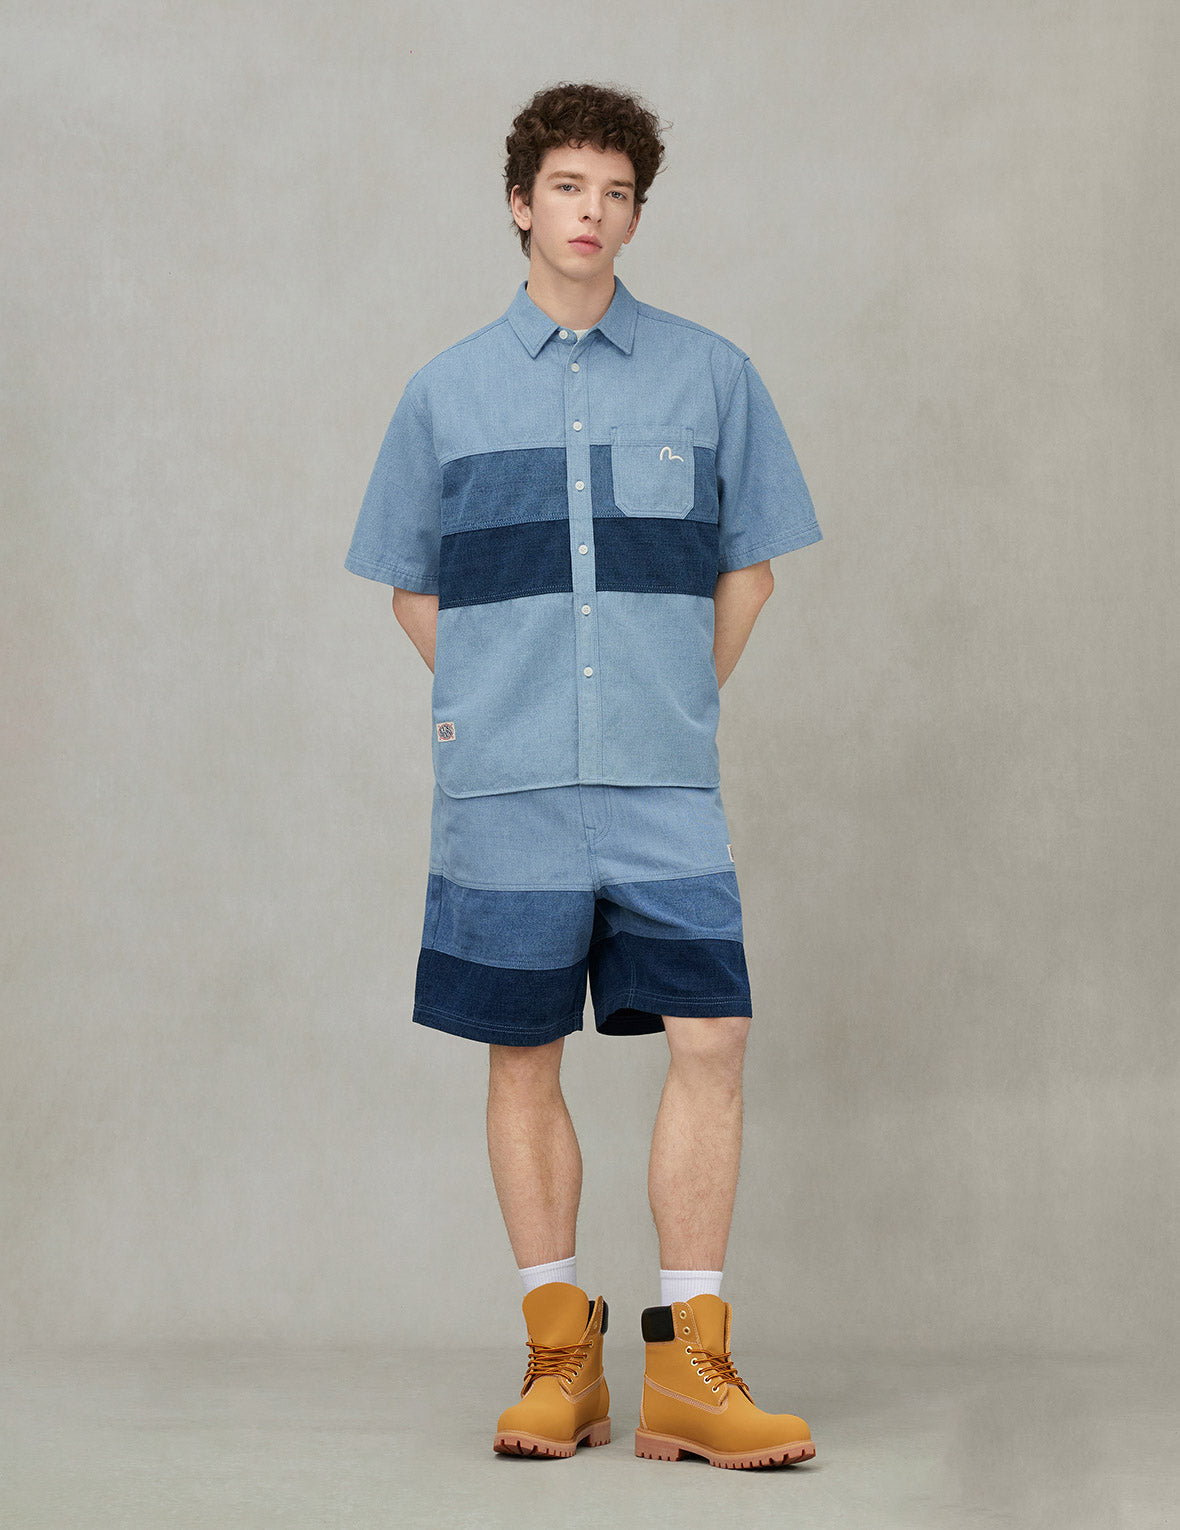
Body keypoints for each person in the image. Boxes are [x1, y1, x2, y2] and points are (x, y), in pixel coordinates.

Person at [345, 81, 821, 1469]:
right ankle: (562, 1359)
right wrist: (505, 708)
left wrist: (666, 707)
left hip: (663, 785)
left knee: (713, 1037)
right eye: (567, 187)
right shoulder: (443, 393)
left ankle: (691, 1367)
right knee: (523, 1052)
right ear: (520, 201)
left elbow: (750, 571)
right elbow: (412, 587)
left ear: (634, 215)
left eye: (616, 193)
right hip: (507, 792)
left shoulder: (712, 376)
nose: (591, 213)